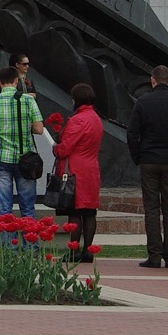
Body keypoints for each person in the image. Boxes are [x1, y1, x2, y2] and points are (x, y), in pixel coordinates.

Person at [126, 65, 168, 269]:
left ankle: (154, 255)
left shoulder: (143, 102)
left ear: (152, 80)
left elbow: (132, 134)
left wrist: (138, 156)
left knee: (151, 208)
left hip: (149, 160)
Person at [0, 64, 46, 235]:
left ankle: (9, 252)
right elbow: (39, 129)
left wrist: (0, 129)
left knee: (4, 209)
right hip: (26, 160)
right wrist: (25, 127)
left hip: (1, 158)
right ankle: (31, 249)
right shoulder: (28, 100)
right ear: (16, 81)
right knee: (28, 208)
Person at [55, 82, 104, 261]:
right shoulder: (96, 118)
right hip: (91, 168)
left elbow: (65, 148)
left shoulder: (78, 120)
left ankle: (74, 250)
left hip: (75, 169)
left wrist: (55, 148)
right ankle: (88, 251)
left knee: (75, 211)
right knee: (90, 211)